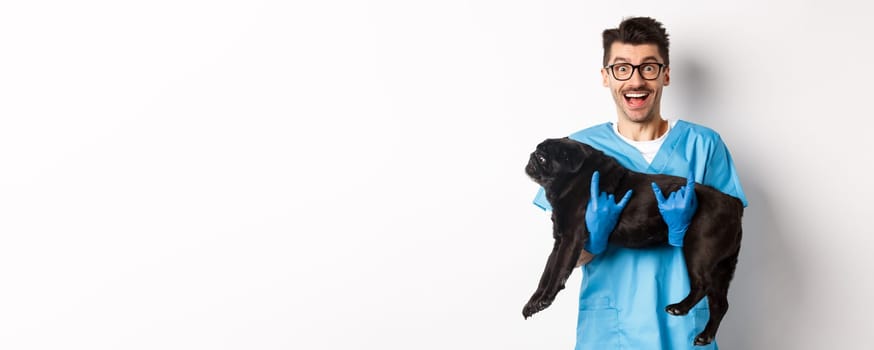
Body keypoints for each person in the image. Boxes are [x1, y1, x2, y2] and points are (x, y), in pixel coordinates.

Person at [531, 17, 748, 349]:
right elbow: (565, 250)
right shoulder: (575, 150)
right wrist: (593, 240)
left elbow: (725, 233)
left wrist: (683, 232)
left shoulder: (703, 145)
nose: (635, 80)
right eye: (622, 68)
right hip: (612, 332)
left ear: (665, 74)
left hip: (684, 332)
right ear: (606, 77)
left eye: (648, 68)